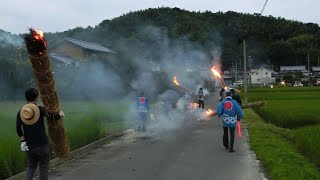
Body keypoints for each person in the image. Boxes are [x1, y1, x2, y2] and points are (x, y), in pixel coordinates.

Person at [16, 88, 64, 180]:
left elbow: (18, 128)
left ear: (26, 98)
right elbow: (52, 117)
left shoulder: (21, 112)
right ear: (37, 97)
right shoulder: (40, 109)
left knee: (31, 167)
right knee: (44, 167)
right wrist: (60, 114)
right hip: (42, 145)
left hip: (30, 146)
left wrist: (23, 141)